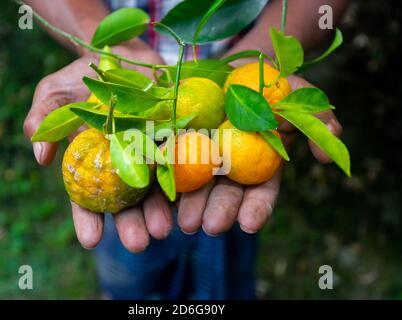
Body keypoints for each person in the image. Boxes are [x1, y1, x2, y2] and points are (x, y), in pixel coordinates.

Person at [23, 0, 350, 299]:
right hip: (140, 105)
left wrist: (261, 55)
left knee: (224, 267)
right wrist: (104, 40)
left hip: (227, 90)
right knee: (129, 271)